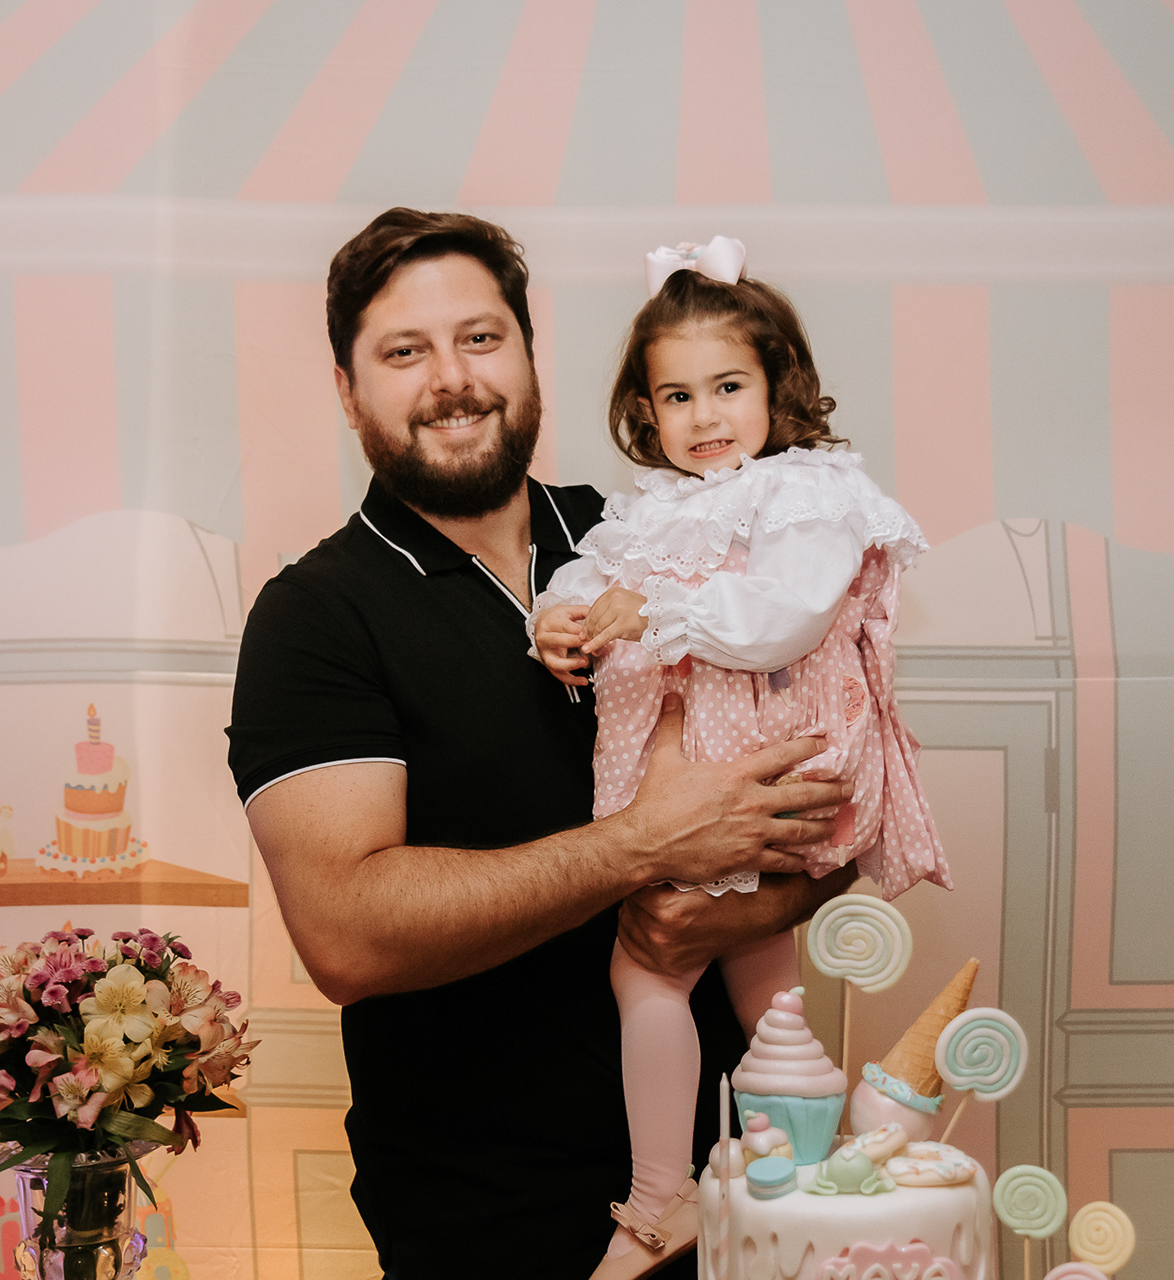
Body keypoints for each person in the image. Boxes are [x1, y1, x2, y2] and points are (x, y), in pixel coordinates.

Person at [226, 208, 859, 1280]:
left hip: (744, 1195)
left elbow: (830, 777)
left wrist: (748, 904)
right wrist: (645, 845)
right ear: (346, 388)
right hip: (488, 1218)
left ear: (528, 354)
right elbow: (346, 935)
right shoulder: (318, 617)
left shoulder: (649, 535)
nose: (452, 379)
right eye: (404, 352)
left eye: (480, 338)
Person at [528, 238, 952, 1272]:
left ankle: (658, 1196)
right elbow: (590, 580)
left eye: (728, 387)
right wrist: (560, 619)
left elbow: (784, 615)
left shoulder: (803, 490)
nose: (705, 416)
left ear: (777, 386)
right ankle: (813, 1175)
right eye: (678, 396)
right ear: (646, 409)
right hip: (704, 771)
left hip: (756, 762)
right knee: (761, 974)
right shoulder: (655, 508)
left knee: (646, 968)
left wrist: (655, 611)